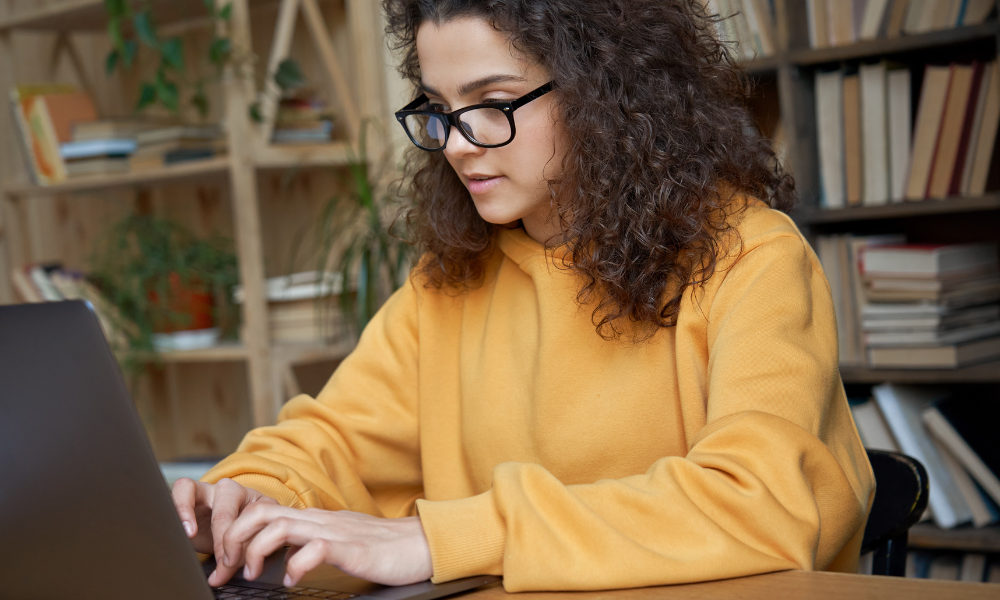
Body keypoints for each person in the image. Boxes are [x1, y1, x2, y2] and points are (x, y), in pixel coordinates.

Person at [172, 0, 875, 592]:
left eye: (494, 103)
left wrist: (441, 539)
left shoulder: (752, 258)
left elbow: (763, 506)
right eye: (441, 110)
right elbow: (334, 445)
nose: (456, 144)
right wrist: (243, 500)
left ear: (609, 91)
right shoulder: (447, 284)